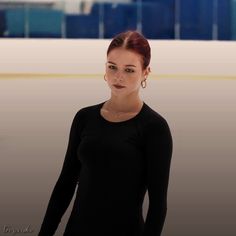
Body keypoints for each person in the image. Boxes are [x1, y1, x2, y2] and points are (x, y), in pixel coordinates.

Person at [38, 30, 173, 236]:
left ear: (145, 73)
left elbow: (157, 206)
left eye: (129, 70)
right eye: (112, 67)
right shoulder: (84, 118)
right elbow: (65, 185)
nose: (118, 76)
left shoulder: (154, 127)